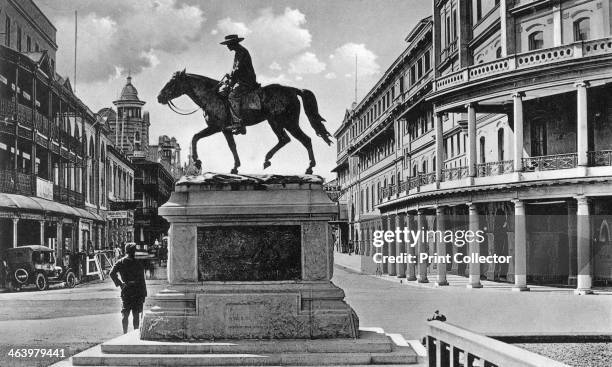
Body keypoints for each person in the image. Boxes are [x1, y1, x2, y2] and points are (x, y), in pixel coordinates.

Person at [220, 34, 258, 135]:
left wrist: (231, 79)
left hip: (246, 81)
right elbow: (235, 70)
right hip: (241, 80)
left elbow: (237, 70)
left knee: (232, 96)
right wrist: (229, 76)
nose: (227, 46)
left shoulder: (241, 52)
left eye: (228, 44)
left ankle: (238, 123)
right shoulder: (238, 52)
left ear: (233, 43)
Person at [109, 243, 147, 334]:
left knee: (125, 314)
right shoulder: (138, 263)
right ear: (134, 252)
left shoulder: (121, 262)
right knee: (135, 315)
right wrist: (144, 294)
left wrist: (120, 284)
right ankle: (135, 334)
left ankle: (125, 333)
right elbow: (142, 280)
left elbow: (112, 273)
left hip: (126, 290)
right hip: (136, 290)